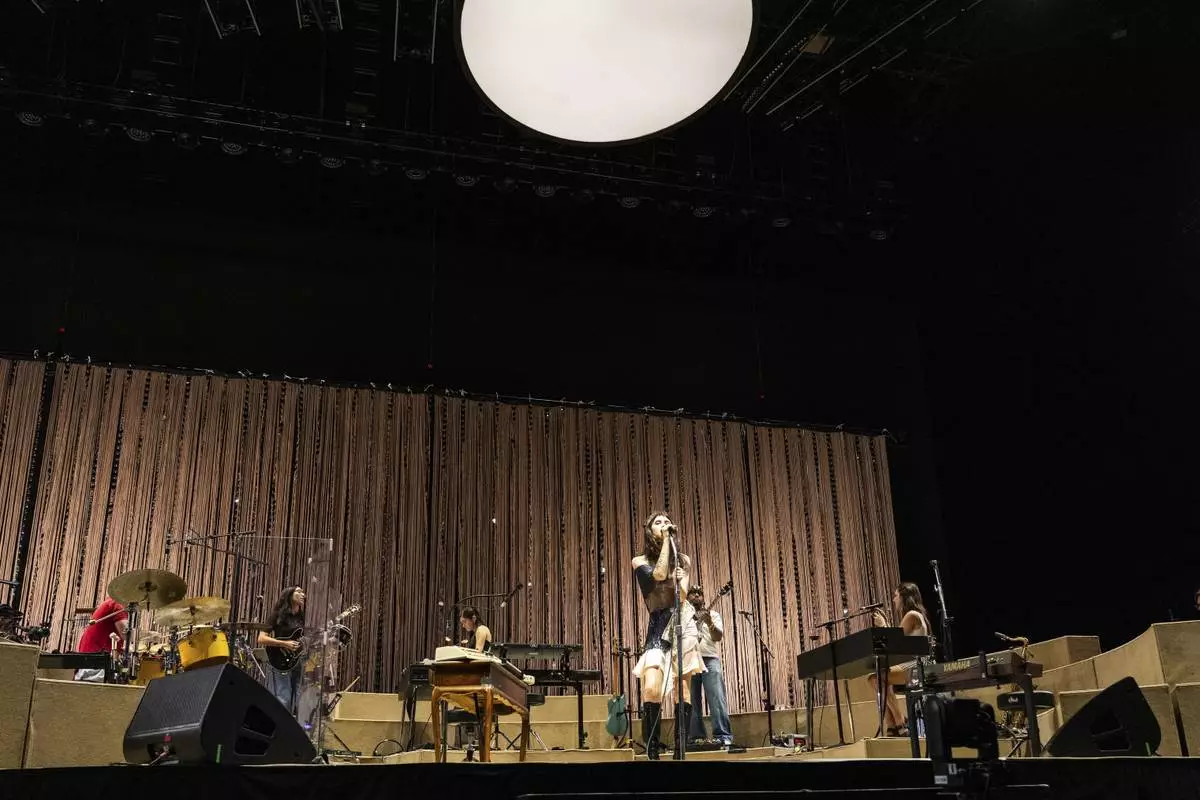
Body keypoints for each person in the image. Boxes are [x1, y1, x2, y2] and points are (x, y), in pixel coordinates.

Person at [631, 511, 705, 759]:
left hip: (681, 623)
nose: (663, 525)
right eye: (657, 522)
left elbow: (682, 597)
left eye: (666, 522)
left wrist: (683, 578)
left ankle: (680, 751)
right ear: (649, 529)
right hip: (657, 626)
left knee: (682, 688)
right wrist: (666, 543)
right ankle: (652, 750)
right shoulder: (639, 561)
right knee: (651, 687)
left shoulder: (684, 559)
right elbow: (659, 576)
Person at [868, 581, 933, 735]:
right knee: (877, 678)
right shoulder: (915, 615)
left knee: (875, 679)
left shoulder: (911, 615)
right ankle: (891, 726)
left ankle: (900, 721)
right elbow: (899, 640)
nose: (894, 600)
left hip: (917, 668)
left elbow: (895, 643)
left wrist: (883, 626)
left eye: (896, 596)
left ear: (904, 597)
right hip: (913, 666)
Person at [686, 584, 734, 747]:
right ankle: (695, 737)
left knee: (716, 697)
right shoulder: (684, 617)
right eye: (693, 593)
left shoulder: (713, 614)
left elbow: (718, 637)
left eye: (699, 593)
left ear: (703, 598)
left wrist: (710, 623)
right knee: (692, 701)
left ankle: (723, 735)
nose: (696, 596)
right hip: (691, 660)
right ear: (687, 597)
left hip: (709, 659)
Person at [258, 586, 306, 715]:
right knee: (282, 699)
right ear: (289, 595)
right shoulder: (277, 615)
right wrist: (284, 644)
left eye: (303, 592)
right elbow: (261, 638)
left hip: (298, 661)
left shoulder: (301, 617)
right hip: (279, 661)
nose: (303, 594)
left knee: (299, 699)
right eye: (299, 591)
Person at [76, 596, 128, 682]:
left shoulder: (109, 603)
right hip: (95, 668)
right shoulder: (117, 605)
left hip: (87, 664)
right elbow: (127, 634)